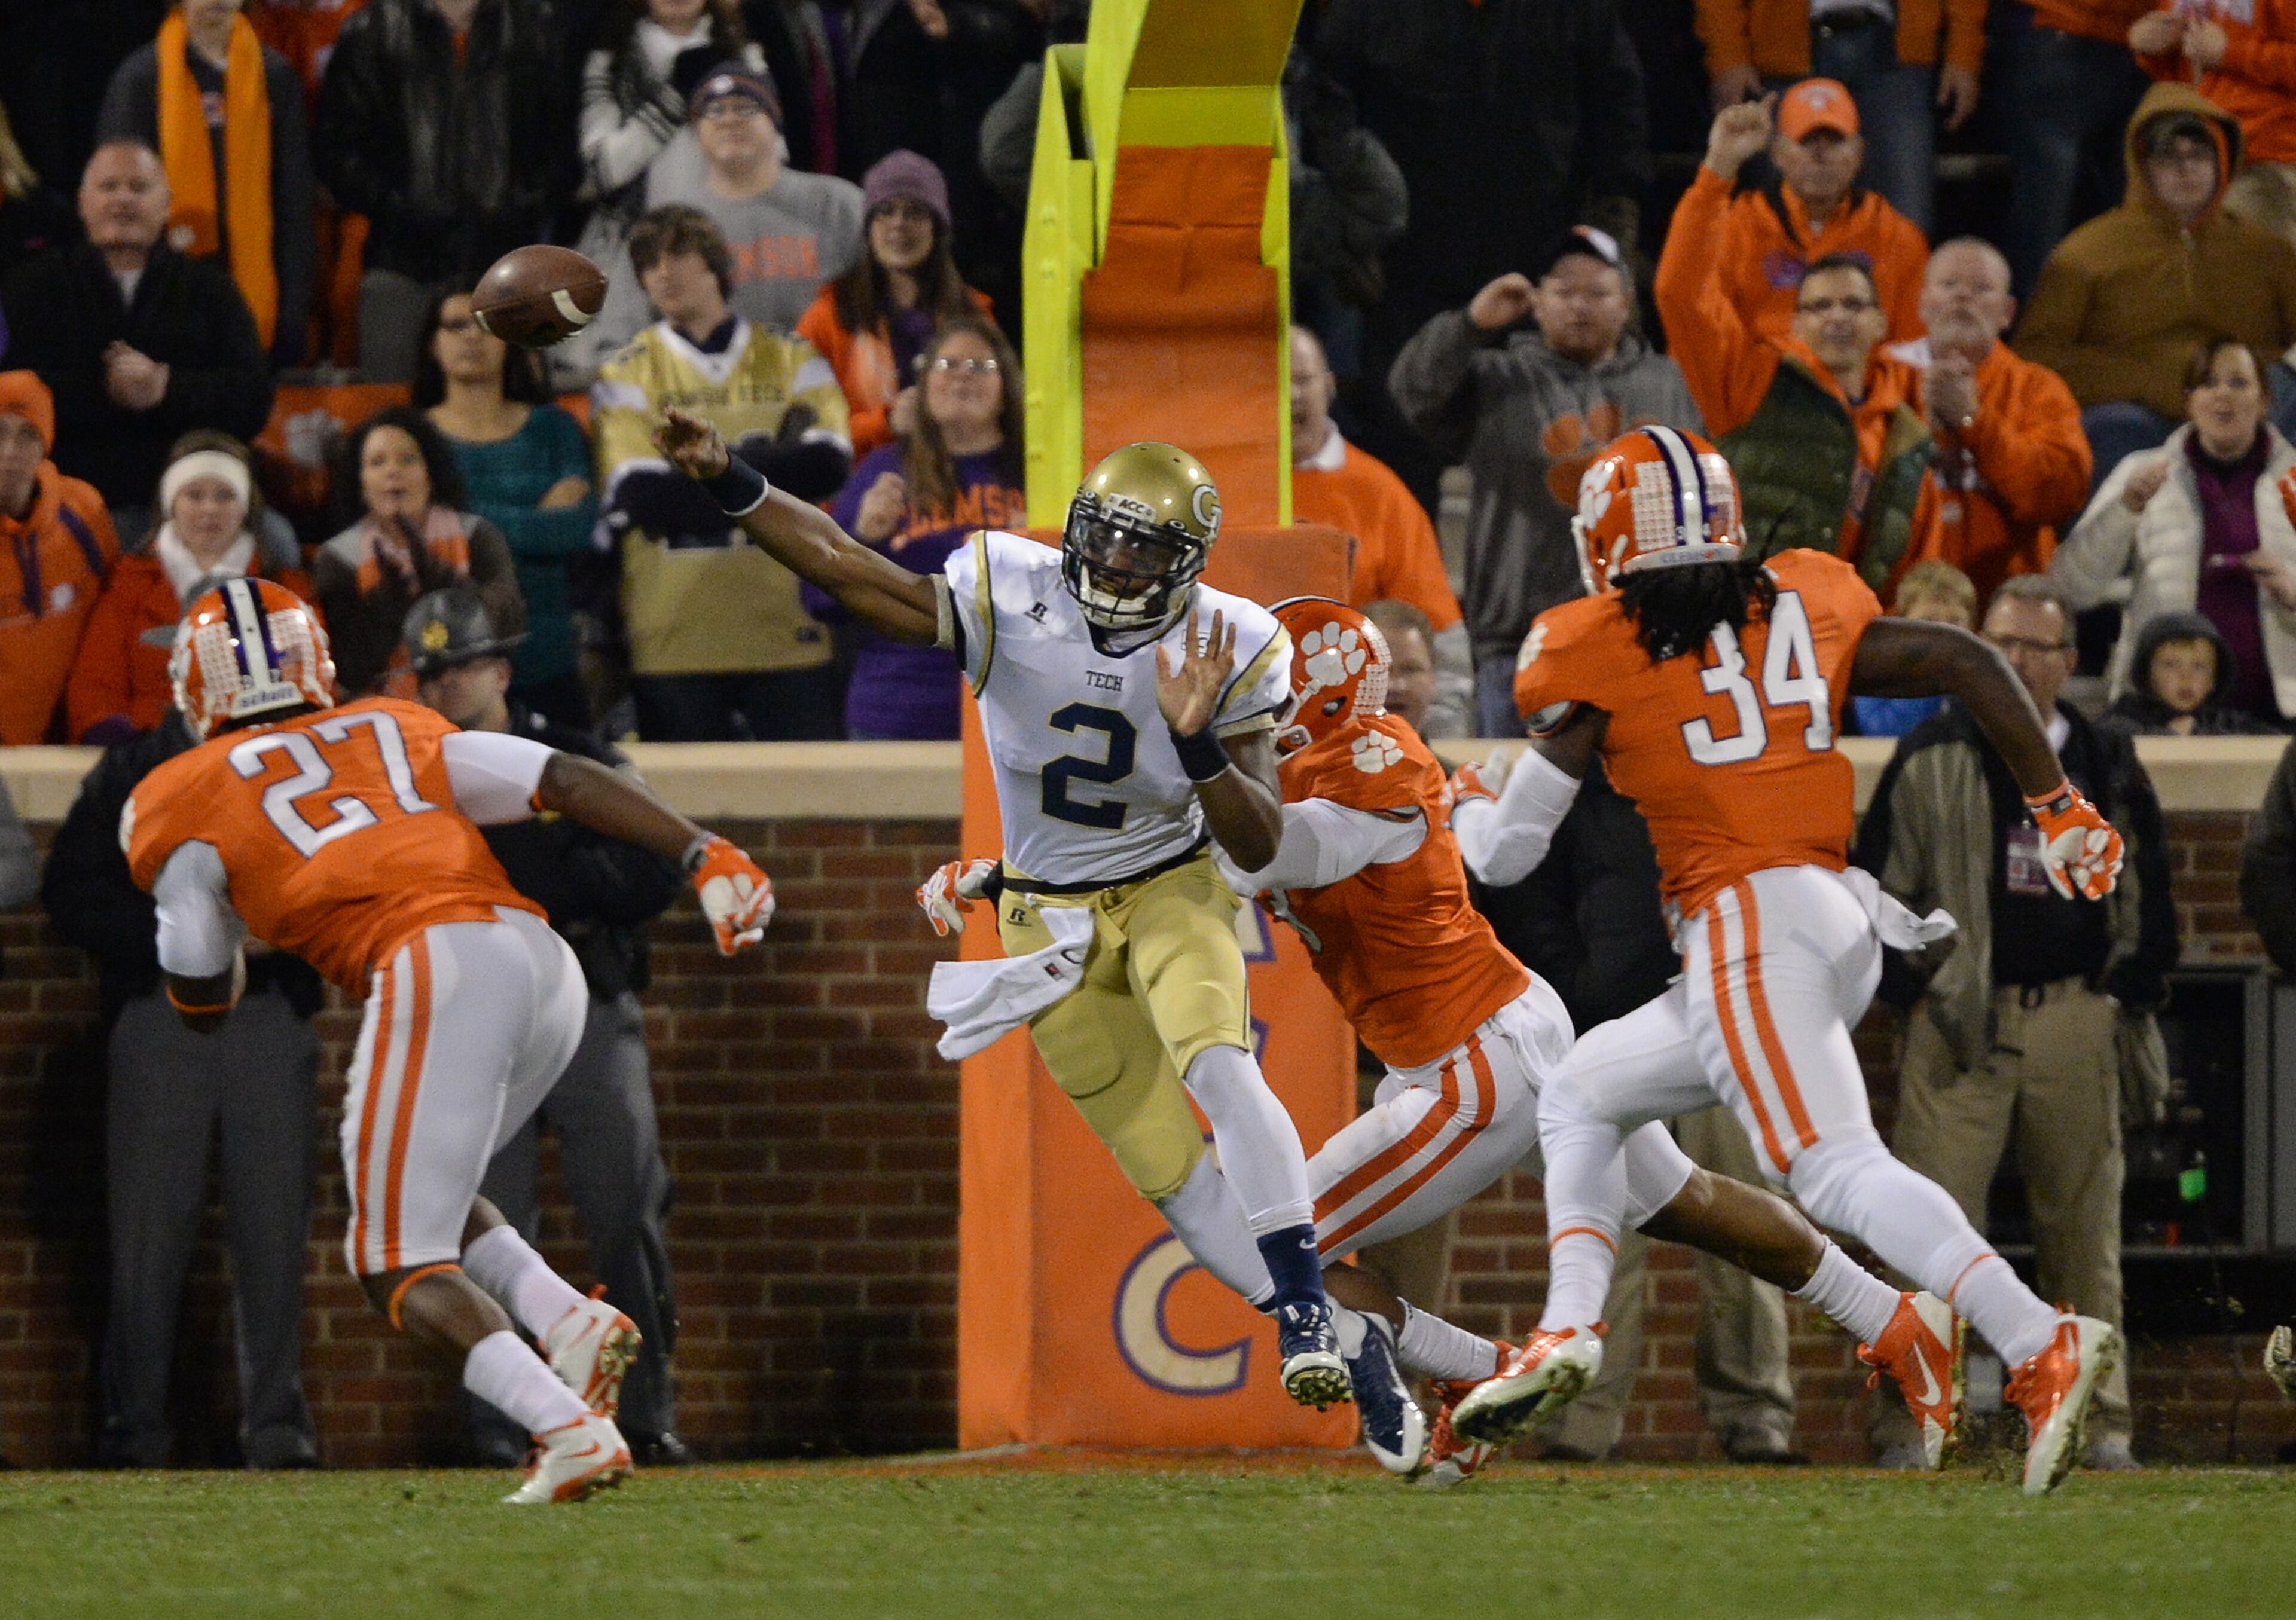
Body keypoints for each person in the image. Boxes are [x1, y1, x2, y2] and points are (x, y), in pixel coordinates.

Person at [1448, 426, 2125, 1496]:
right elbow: (1962, 658)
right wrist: (2057, 801)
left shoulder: (1591, 646)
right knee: (1579, 1091)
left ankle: (2037, 1335)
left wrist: (1466, 809)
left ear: (1611, 539)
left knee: (1831, 1167)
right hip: (1831, 912)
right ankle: (1569, 1329)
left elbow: (1508, 850)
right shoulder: (1805, 593)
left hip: (1748, 922)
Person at [656, 414, 1357, 1414]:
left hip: (1169, 882)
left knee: (1218, 1059)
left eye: (1144, 547)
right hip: (1044, 916)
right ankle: (1348, 1353)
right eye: (1104, 533)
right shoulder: (1010, 584)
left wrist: (1198, 743)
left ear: (1187, 566)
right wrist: (730, 479)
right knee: (1165, 1164)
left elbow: (1255, 844)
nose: (1115, 559)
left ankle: (1303, 1307)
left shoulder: (1233, 640)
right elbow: (851, 571)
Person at [1204, 596, 1952, 1481]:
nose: (1248, 700)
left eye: (1266, 685)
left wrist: (1199, 745)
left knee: (1275, 1248)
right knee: (1694, 1204)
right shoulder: (1308, 765)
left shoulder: (1374, 764)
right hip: (1503, 1031)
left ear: (1314, 696)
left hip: (1471, 1066)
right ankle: (1893, 1319)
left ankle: (1483, 1373)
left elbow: (1258, 851)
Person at [123, 574, 775, 1502]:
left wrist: (231, 939)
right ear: (318, 662)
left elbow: (197, 986)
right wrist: (703, 852)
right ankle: (568, 1321)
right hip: (545, 965)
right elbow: (561, 776)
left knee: (391, 1254)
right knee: (425, 1194)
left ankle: (564, 1425)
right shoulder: (394, 725)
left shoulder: (174, 793)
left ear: (196, 686)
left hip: (437, 965)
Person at [1854, 574, 2176, 1472]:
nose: (2014, 660)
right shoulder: (1933, 749)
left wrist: (2121, 990)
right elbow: (1872, 891)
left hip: (2073, 1010)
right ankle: (1914, 1426)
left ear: (2071, 662)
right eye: (1998, 642)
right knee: (1925, 1236)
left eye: (2035, 646)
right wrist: (1922, 988)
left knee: (2085, 1235)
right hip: (1959, 1021)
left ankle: (2102, 1423)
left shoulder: (2107, 757)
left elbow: (2150, 889)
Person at [402, 588, 691, 1468]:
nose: (447, 685)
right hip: (473, 1011)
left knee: (625, 1204)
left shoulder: (571, 760)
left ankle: (643, 1415)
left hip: (584, 994)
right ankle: (500, 1422)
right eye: (432, 672)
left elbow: (647, 880)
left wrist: (544, 872)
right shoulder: (416, 775)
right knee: (490, 1220)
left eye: (462, 667)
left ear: (500, 669)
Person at [42, 699, 326, 1469]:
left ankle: (276, 1430)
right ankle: (134, 1431)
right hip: (160, 1011)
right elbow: (71, 893)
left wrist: (283, 930)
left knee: (273, 1237)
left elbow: (345, 875)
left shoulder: (297, 754)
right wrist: (184, 939)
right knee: (145, 1238)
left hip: (268, 1013)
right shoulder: (134, 767)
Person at [1310, 0, 1651, 506]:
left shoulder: (1577, 11)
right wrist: (1355, 232)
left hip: (1538, 262)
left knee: (1546, 437)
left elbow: (1618, 106)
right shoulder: (1367, 10)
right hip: (1406, 264)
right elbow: (1325, 105)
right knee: (1401, 433)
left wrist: (1611, 225)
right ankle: (1408, 574)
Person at [1390, 225, 1704, 737]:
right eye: (1564, 292)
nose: (1580, 306)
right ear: (1536, 303)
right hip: (1520, 644)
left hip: (1643, 638)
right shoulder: (1497, 378)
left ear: (1625, 303)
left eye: (1597, 293)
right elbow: (1412, 390)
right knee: (1514, 807)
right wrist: (1469, 324)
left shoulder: (1669, 382)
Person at [591, 204, 851, 740]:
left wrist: (701, 473)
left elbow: (827, 464)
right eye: (648, 263)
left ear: (716, 265)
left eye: (678, 255)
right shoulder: (625, 370)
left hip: (789, 623)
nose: (663, 272)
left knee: (812, 809)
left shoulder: (790, 355)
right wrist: (772, 476)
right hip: (673, 634)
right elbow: (643, 498)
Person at [1657, 142, 1933, 591]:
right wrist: (1719, 170)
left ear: (1881, 323)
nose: (1838, 317)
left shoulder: (1907, 432)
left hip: (1853, 639)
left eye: (1853, 304)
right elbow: (1681, 292)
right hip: (1751, 623)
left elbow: (1910, 564)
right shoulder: (1752, 382)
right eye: (1820, 306)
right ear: (1797, 323)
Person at [2017, 86, 2296, 481]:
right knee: (2112, 429)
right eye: (2169, 156)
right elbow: (2037, 357)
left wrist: (2247, 385)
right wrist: (2147, 381)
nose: (2186, 169)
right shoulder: (2085, 253)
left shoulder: (2267, 252)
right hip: (2142, 418)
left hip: (2255, 413)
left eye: (2199, 154)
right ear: (2141, 166)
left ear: (2223, 163)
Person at [0, 141, 274, 528]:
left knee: (278, 540)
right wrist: (102, 391)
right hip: (63, 504)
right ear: (83, 203)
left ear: (166, 204)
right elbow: (11, 391)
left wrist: (167, 389)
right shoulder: (30, 287)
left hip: (189, 507)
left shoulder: (211, 290)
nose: (123, 199)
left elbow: (253, 398)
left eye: (139, 188)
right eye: (109, 187)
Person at [311, 0, 579, 383]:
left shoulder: (540, 25)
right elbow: (337, 151)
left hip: (510, 266)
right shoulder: (370, 30)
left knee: (516, 411)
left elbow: (563, 148)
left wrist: (511, 210)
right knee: (396, 416)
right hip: (401, 265)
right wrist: (402, 210)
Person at [2050, 339, 2296, 726]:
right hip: (2158, 715)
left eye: (2238, 383)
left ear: (2265, 400)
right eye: (2208, 383)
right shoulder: (2143, 472)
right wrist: (2125, 509)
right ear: (2189, 400)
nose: (2222, 396)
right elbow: (2072, 586)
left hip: (2279, 716)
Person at [807, 315, 1022, 740]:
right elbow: (817, 600)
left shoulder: (1038, 473)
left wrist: (1046, 550)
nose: (962, 378)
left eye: (981, 367)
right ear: (922, 388)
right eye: (947, 366)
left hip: (1013, 717)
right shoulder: (883, 469)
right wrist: (862, 538)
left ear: (1007, 391)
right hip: (898, 709)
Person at [579, 63, 864, 375]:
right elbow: (616, 341)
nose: (729, 120)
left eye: (746, 108)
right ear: (696, 132)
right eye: (714, 111)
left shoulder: (839, 205)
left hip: (829, 392)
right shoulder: (668, 224)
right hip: (709, 403)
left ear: (776, 121)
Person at [94, 0, 317, 365]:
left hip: (253, 301)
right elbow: (119, 212)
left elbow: (293, 203)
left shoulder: (274, 76)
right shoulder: (141, 78)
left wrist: (292, 311)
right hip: (164, 307)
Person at [416, 285, 599, 728]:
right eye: (456, 325)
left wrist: (462, 519)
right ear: (432, 343)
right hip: (448, 671)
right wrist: (536, 518)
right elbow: (419, 537)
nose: (472, 338)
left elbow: (574, 532)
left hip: (549, 661)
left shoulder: (555, 429)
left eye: (486, 326)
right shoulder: (412, 439)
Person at [67, 431, 310, 745]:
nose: (210, 509)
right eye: (194, 495)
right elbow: (94, 688)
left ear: (246, 506)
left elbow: (309, 685)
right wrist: (129, 749)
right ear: (172, 503)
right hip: (149, 754)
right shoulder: (128, 585)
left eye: (225, 495)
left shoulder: (286, 589)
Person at [1289, 324, 1470, 739]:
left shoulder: (1379, 493)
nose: (1292, 395)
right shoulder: (1227, 490)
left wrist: (1442, 750)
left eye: (1303, 380)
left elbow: (1436, 637)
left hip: (1357, 737)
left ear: (1329, 386)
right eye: (1277, 381)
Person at [1889, 238, 2093, 601]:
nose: (1963, 297)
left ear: (2008, 313)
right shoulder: (1881, 379)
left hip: (2004, 609)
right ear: (1921, 302)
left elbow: (2058, 495)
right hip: (1896, 602)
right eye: (1949, 284)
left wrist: (1973, 422)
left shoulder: (2038, 389)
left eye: (1982, 288)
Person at [1661, 83, 1929, 351]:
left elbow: (1913, 352)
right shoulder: (1738, 227)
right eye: (1806, 141)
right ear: (1778, 153)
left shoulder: (1898, 238)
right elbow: (1685, 304)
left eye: (1834, 141)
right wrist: (1720, 163)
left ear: (1859, 154)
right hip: (1760, 385)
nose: (1820, 155)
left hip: (1863, 388)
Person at [1693, 4, 1983, 235]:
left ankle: (1897, 310)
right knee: (1772, 225)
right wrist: (1727, 54)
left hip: (1898, 59)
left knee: (1905, 221)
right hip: (1779, 54)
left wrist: (1964, 50)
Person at [312, 404, 524, 700]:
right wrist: (386, 606)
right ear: (359, 484)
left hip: (474, 707)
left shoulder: (477, 535)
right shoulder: (337, 558)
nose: (393, 471)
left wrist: (449, 585)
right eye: (377, 462)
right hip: (385, 717)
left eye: (408, 460)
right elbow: (347, 670)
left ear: (432, 475)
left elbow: (511, 629)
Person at [795, 149, 993, 459]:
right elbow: (802, 430)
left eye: (915, 212)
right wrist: (885, 423)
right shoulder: (827, 316)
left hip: (958, 489)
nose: (899, 225)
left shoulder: (973, 314)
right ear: (869, 228)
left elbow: (999, 415)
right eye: (885, 212)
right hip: (860, 495)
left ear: (937, 228)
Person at [575, 0, 768, 274]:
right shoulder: (610, 61)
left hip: (727, 240)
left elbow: (770, 156)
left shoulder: (743, 55)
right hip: (628, 249)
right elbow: (603, 170)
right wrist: (673, 101)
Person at [1993, 0, 2157, 299]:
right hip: (2060, 29)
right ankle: (2033, 340)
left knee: (2130, 224)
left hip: (2143, 45)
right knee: (2046, 223)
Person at [0, 369, 118, 745]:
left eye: (28, 435)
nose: (9, 453)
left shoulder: (83, 513)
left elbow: (111, 623)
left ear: (46, 444)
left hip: (60, 748)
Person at [2129, 1, 2296, 251]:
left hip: (2267, 161)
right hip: (2197, 148)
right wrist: (2154, 48)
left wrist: (2232, 52)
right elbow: (2193, 67)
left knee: (2250, 279)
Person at [2102, 609, 2280, 737]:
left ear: (2214, 681)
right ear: (2146, 675)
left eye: (2199, 667)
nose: (2186, 677)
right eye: (2171, 665)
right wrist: (2167, 736)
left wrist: (2203, 736)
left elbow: (2277, 745)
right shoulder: (2124, 718)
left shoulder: (2226, 723)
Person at [1849, 557, 1975, 737]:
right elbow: (1880, 730)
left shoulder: (1980, 672)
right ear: (1903, 625)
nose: (1943, 633)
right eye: (1929, 621)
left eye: (1954, 622)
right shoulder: (1879, 666)